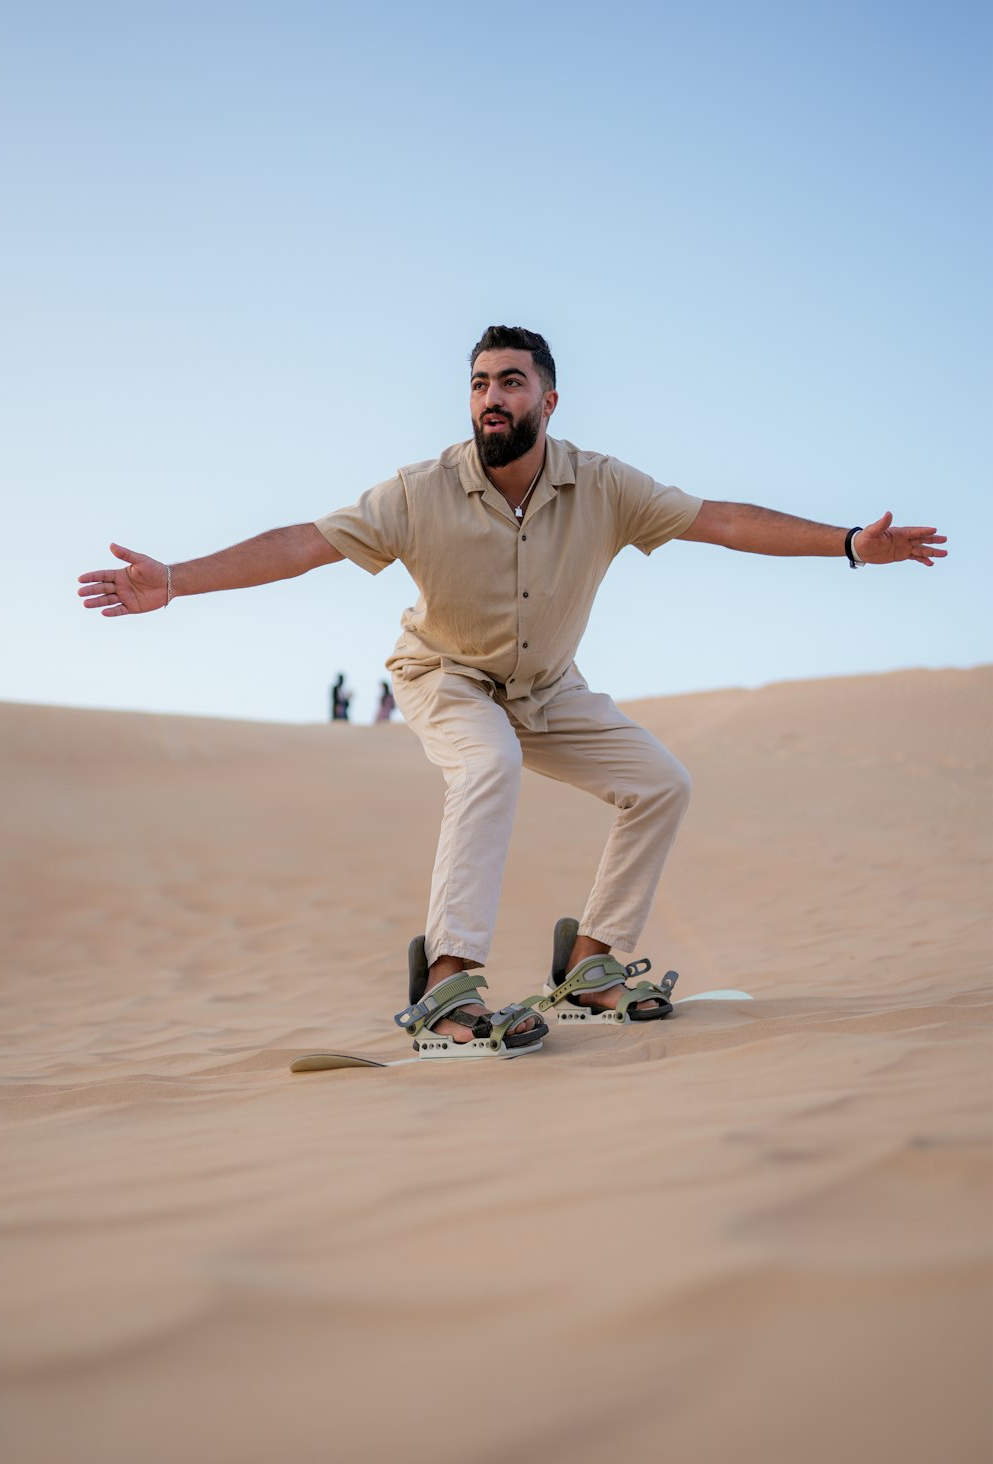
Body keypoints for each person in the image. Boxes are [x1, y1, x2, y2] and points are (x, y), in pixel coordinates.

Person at [78, 325, 947, 1059]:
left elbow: (719, 520)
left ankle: (591, 966)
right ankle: (447, 989)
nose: (491, 397)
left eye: (511, 383)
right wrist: (177, 581)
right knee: (486, 763)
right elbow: (305, 542)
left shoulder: (604, 484)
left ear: (549, 401)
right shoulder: (417, 492)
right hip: (446, 676)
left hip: (546, 687)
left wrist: (845, 544)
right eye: (479, 384)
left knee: (660, 783)